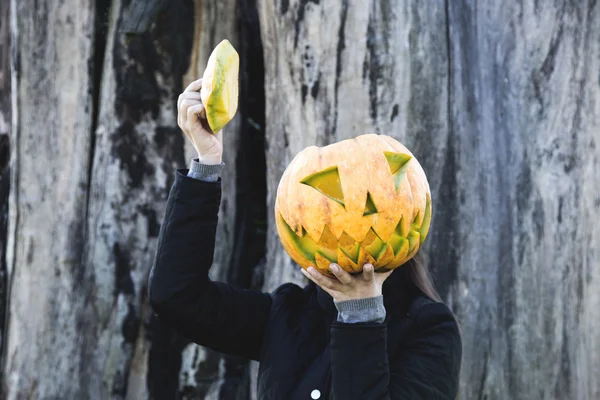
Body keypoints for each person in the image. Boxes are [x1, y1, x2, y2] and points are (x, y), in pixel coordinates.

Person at [148, 78, 462, 400]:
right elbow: (177, 297)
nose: (352, 211)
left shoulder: (429, 329)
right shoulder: (286, 316)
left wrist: (361, 315)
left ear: (404, 206)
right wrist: (207, 161)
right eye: (326, 194)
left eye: (371, 200)